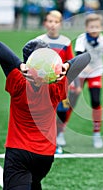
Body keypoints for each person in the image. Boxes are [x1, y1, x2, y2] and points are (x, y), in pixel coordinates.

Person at [0, 39, 90, 190]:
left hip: (19, 153)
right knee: (33, 184)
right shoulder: (57, 87)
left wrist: (20, 66)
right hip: (45, 157)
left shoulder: (18, 82)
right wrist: (67, 66)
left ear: (28, 61)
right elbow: (86, 57)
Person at [30, 10, 76, 150]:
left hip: (62, 84)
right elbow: (32, 61)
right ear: (45, 23)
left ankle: (59, 134)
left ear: (60, 24)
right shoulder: (39, 41)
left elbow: (70, 61)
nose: (53, 25)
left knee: (63, 110)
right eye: (50, 21)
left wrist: (73, 81)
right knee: (47, 112)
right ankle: (46, 140)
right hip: (44, 84)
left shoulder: (66, 42)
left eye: (56, 22)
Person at [67, 13, 103, 149]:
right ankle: (60, 130)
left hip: (96, 73)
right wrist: (84, 68)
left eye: (97, 26)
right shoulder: (81, 40)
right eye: (91, 26)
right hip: (80, 73)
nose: (94, 29)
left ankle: (96, 133)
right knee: (70, 102)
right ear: (86, 28)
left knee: (96, 101)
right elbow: (79, 57)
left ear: (101, 27)